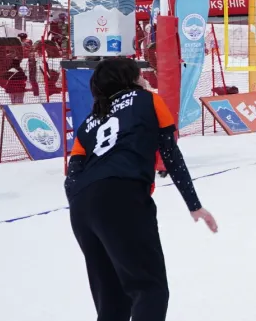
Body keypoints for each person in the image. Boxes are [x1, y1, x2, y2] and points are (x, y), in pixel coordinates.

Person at [64, 57, 217, 321]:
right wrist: (194, 204)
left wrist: (86, 205)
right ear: (130, 80)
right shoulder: (147, 99)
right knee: (149, 289)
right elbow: (170, 154)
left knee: (112, 300)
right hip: (122, 195)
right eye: (139, 75)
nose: (144, 78)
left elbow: (72, 175)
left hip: (82, 206)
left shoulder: (89, 121)